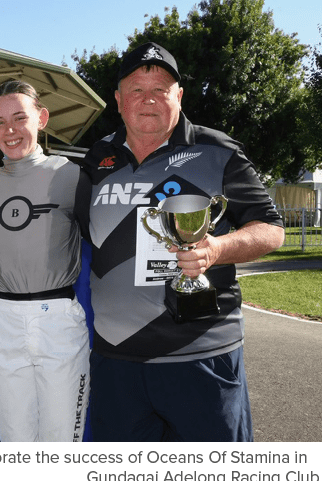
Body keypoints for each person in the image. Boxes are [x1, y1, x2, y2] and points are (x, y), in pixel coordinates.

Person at [75, 42, 285, 441]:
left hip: (202, 354)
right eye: (136, 89)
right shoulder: (97, 157)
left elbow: (272, 229)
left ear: (180, 96)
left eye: (161, 89)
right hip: (116, 361)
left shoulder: (217, 150)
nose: (148, 99)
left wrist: (217, 249)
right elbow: (85, 233)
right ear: (118, 100)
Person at [0, 80, 90, 442]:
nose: (9, 130)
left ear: (42, 118)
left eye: (19, 118)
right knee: (15, 440)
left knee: (61, 442)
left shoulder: (70, 175)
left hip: (59, 323)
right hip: (4, 321)